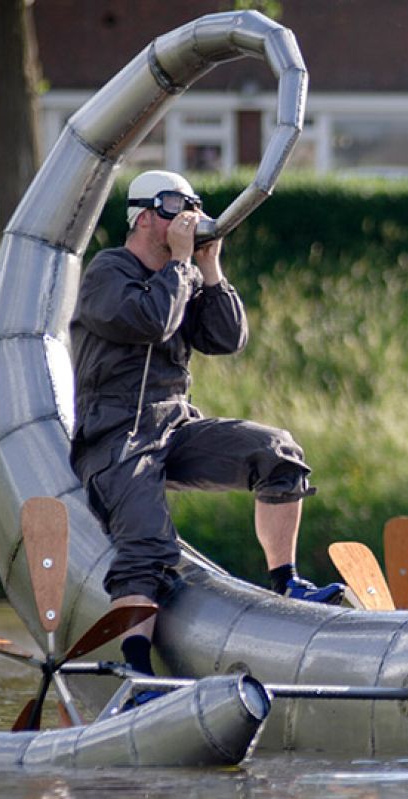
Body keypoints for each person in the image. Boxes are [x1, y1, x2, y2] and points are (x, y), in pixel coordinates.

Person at [69, 170, 344, 685]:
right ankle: (135, 672)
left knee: (277, 453)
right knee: (148, 543)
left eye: (194, 204)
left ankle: (286, 582)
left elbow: (227, 337)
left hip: (175, 424)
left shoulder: (184, 275)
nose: (188, 215)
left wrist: (209, 271)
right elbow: (151, 321)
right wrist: (179, 265)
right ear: (144, 217)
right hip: (117, 435)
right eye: (176, 206)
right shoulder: (107, 272)